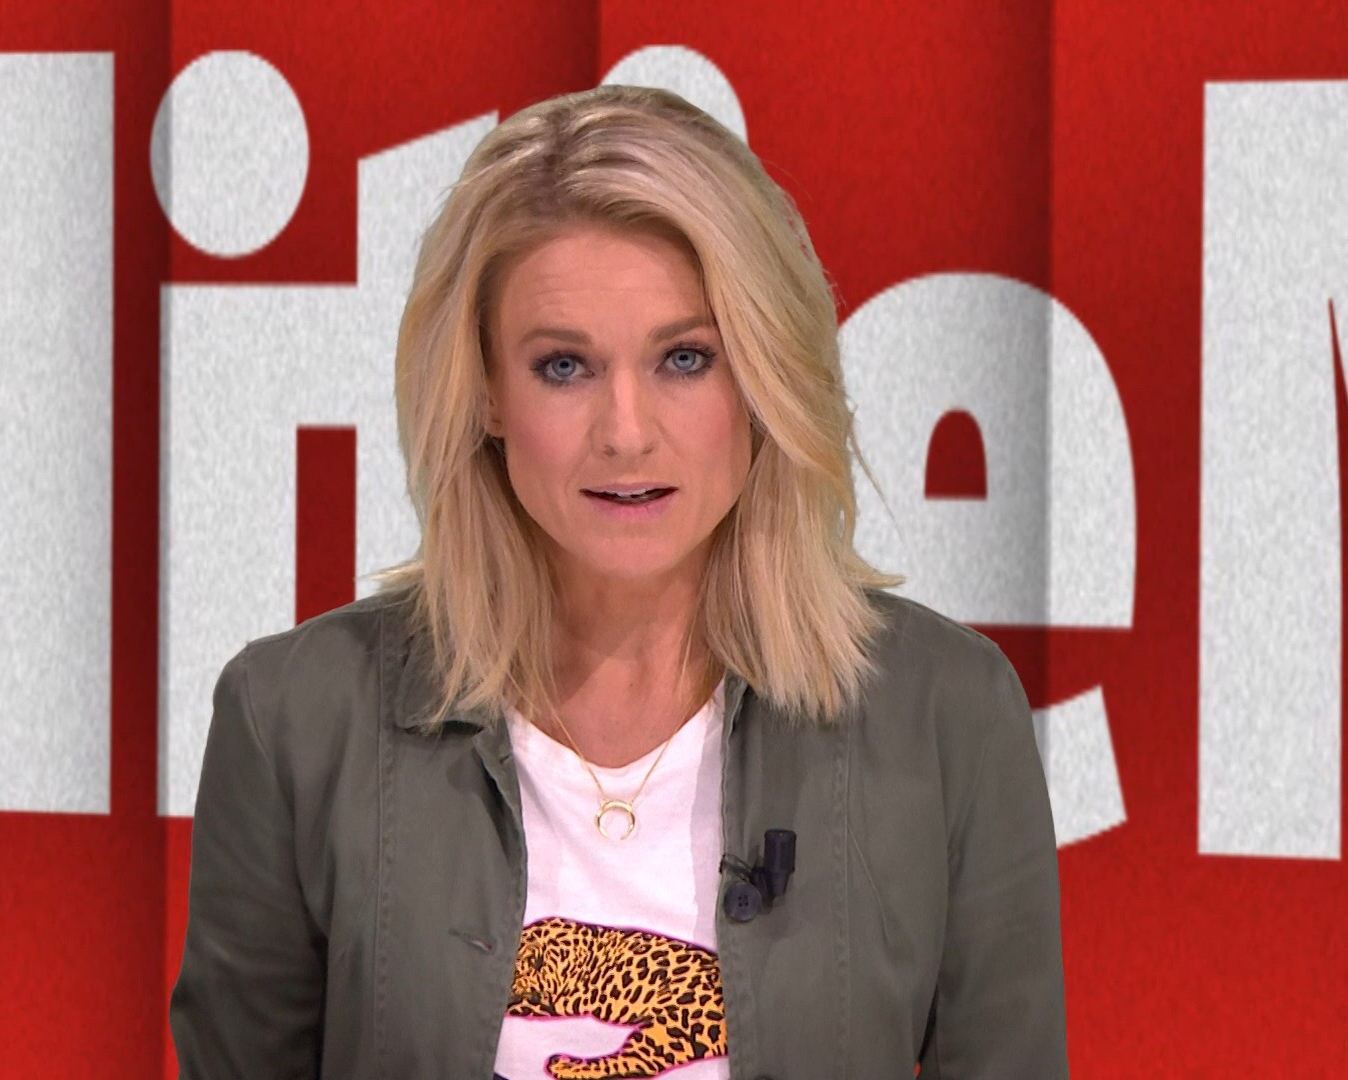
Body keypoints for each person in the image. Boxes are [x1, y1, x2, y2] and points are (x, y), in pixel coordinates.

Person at [169, 83, 1067, 1078]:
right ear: (486, 393)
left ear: (761, 379)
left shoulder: (945, 716)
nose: (627, 432)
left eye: (685, 358)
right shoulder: (294, 723)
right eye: (565, 367)